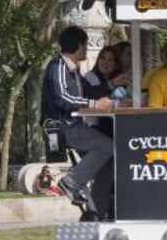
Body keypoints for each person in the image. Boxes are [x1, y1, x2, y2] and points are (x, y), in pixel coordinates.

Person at [41, 26, 114, 219]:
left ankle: (95, 214)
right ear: (79, 45)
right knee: (107, 146)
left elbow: (87, 92)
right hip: (62, 127)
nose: (87, 49)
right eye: (86, 45)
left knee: (107, 162)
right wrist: (94, 104)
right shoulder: (58, 66)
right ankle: (72, 181)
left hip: (74, 125)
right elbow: (62, 98)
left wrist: (112, 99)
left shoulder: (73, 69)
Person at [84, 45, 130, 135]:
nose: (105, 63)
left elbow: (123, 98)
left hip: (113, 124)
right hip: (94, 127)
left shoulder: (114, 80)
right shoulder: (90, 77)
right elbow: (101, 100)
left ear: (116, 65)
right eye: (103, 58)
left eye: (110, 60)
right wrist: (121, 104)